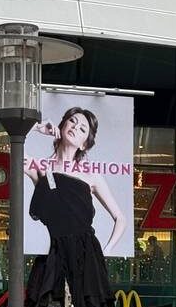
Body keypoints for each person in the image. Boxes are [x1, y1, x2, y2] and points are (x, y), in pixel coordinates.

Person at [26, 106, 127, 255]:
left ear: (84, 144)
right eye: (72, 121)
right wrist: (37, 127)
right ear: (62, 126)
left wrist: (106, 250)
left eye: (82, 129)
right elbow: (14, 147)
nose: (75, 127)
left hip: (87, 257)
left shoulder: (90, 175)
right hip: (54, 255)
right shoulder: (41, 167)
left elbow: (120, 218)